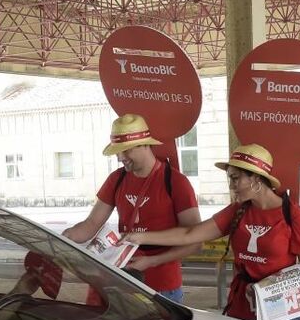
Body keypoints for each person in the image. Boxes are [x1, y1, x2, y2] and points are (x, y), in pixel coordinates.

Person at [121, 144, 300, 320]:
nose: (231, 186)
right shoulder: (237, 211)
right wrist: (140, 237)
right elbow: (190, 234)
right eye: (229, 179)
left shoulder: (293, 216)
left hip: (279, 310)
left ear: (257, 178)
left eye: (235, 179)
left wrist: (265, 289)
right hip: (242, 305)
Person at [63, 114, 201, 304]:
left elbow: (195, 241)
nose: (120, 157)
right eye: (117, 152)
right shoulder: (116, 179)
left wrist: (153, 261)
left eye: (126, 151)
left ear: (145, 144)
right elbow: (91, 224)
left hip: (162, 288)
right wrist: (62, 239)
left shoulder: (176, 182)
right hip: (123, 281)